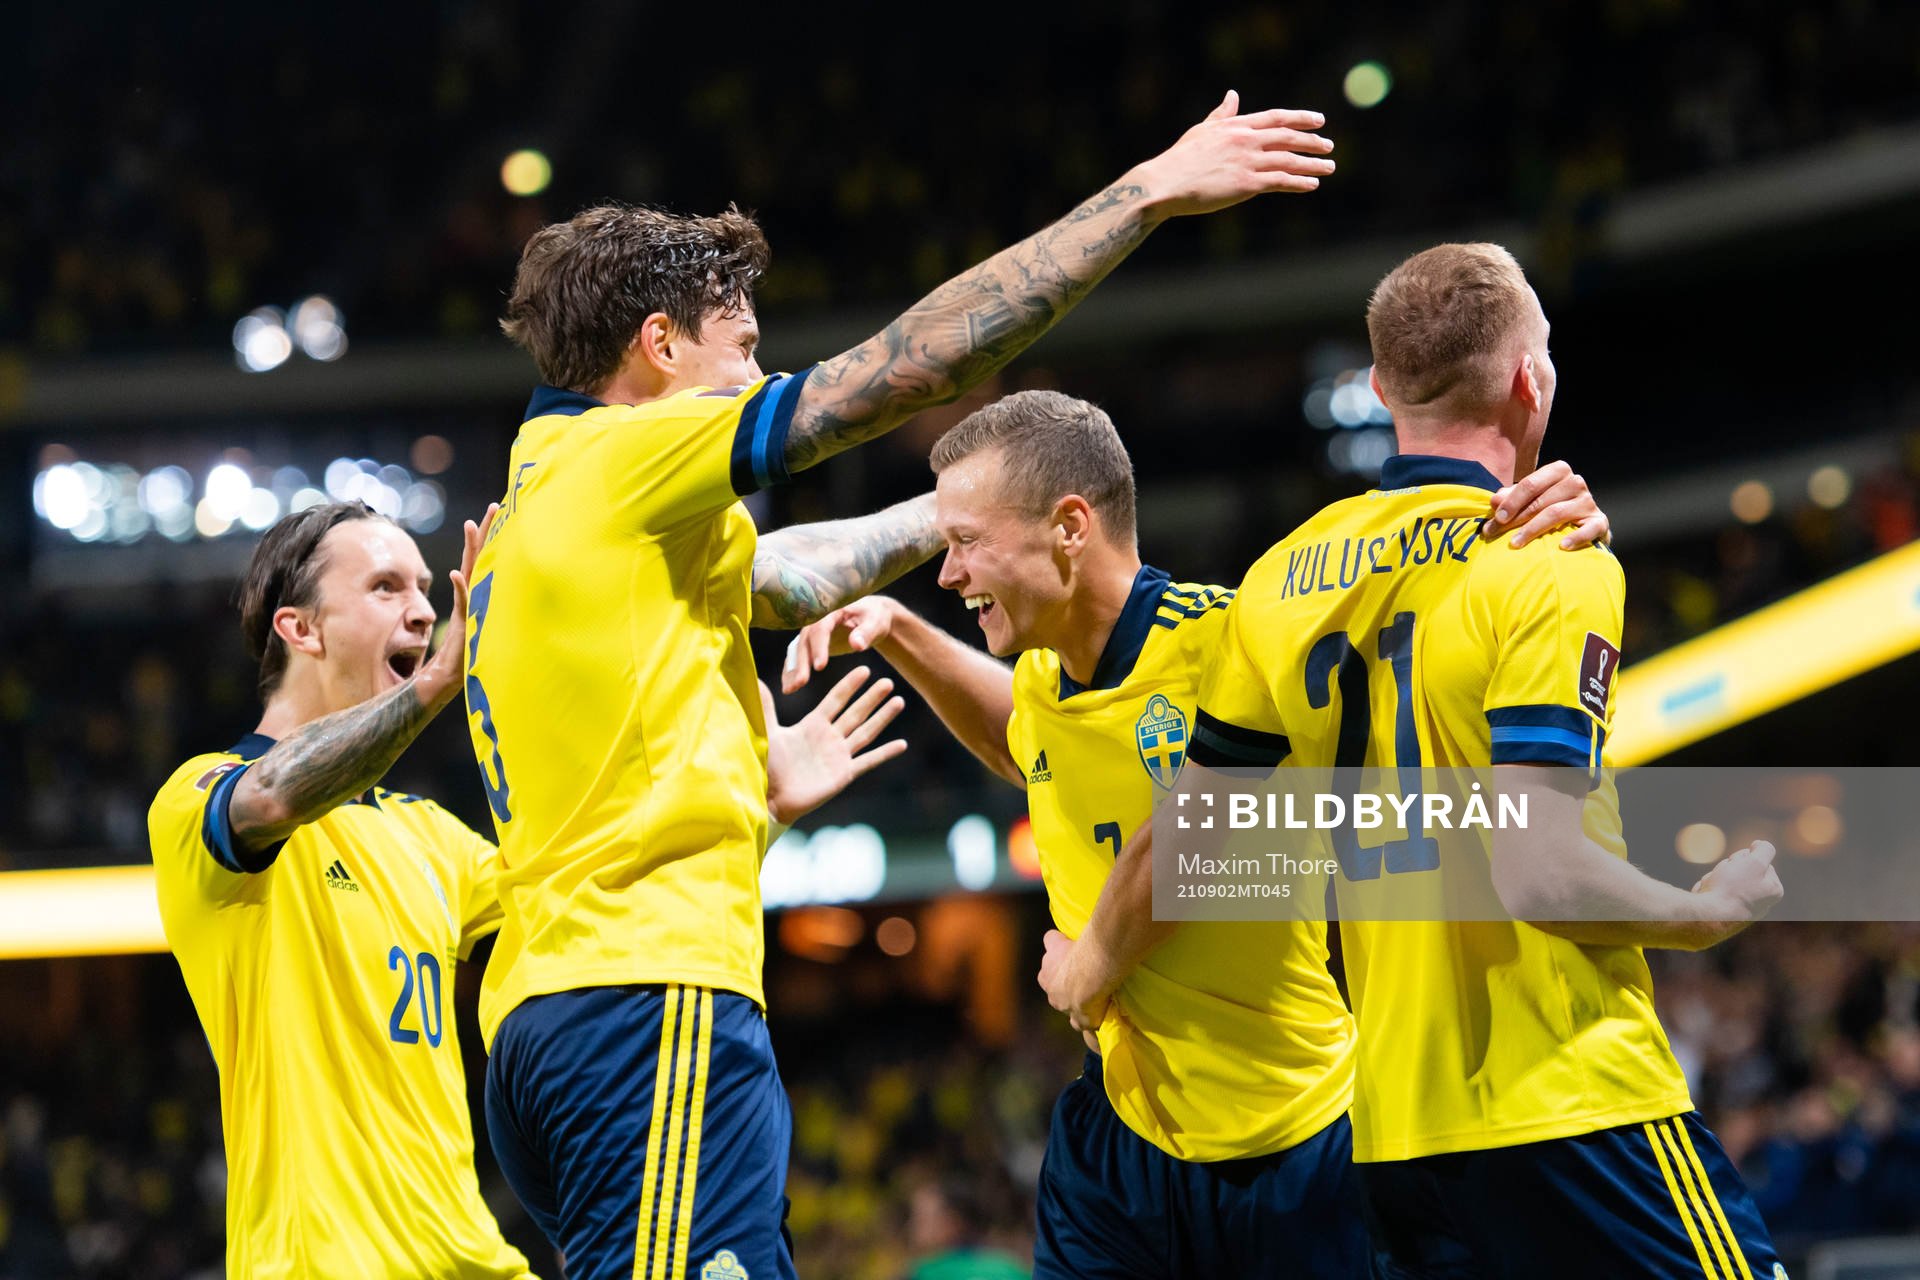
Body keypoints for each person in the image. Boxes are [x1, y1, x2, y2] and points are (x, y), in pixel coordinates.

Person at [467, 91, 1339, 1280]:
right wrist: (1147, 191)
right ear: (658, 345)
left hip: (544, 1012)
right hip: (645, 996)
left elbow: (787, 578)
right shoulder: (628, 457)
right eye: (744, 347)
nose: (758, 370)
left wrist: (967, 518)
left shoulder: (547, 494)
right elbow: (917, 365)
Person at [1044, 244, 1786, 1279]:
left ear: (1384, 387)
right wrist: (1701, 911)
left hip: (1392, 1134)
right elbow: (1539, 871)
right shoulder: (1548, 556)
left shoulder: (1279, 582)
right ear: (1533, 379)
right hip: (1571, 1103)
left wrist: (1088, 962)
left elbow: (1201, 849)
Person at [781, 389, 1611, 1278]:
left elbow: (1380, 655)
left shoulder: (1230, 643)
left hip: (1294, 1143)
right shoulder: (1046, 678)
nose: (947, 575)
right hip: (1119, 1148)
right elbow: (1024, 741)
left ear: (1070, 527)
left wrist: (1528, 526)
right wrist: (902, 632)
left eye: (967, 544)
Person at [147, 500, 907, 1279]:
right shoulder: (198, 795)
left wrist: (762, 812)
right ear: (300, 629)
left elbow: (601, 903)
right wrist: (439, 682)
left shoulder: (428, 836)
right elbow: (270, 799)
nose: (422, 611)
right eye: (384, 588)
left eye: (423, 587)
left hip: (473, 1263)